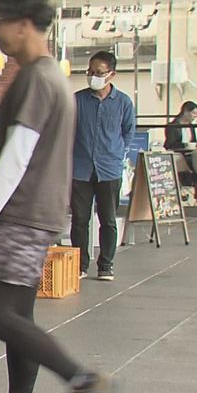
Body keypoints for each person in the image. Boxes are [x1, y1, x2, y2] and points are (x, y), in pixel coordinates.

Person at [0, 0, 113, 393]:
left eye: (0, 23)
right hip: (42, 212)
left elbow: (16, 157)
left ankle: (81, 379)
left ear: (24, 24)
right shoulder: (53, 79)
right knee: (18, 315)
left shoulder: (35, 79)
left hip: (20, 212)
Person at [71, 51, 136, 282]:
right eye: (90, 72)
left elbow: (128, 131)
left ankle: (106, 265)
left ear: (111, 74)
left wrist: (118, 153)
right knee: (79, 219)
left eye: (98, 73)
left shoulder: (123, 102)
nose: (92, 76)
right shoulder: (77, 100)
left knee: (108, 219)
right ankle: (79, 265)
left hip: (109, 169)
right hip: (80, 168)